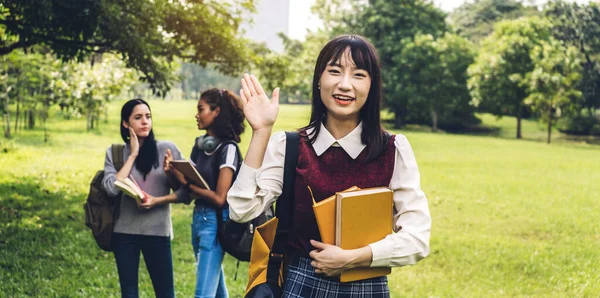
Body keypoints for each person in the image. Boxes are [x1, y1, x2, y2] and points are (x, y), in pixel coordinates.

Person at [227, 34, 431, 297]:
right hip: (300, 285)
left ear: (372, 86)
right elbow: (240, 210)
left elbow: (417, 239)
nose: (345, 85)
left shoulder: (393, 149)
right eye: (334, 71)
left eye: (359, 75)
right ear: (319, 80)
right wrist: (262, 131)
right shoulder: (289, 146)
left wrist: (355, 257)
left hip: (368, 288)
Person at [155, 88, 245, 298]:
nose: (196, 114)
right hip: (199, 220)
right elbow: (185, 194)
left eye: (201, 109)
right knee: (216, 291)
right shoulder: (200, 145)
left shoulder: (228, 149)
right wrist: (171, 173)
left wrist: (186, 183)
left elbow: (219, 198)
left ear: (216, 112)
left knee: (202, 294)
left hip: (215, 223)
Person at [102, 98, 188, 298]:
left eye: (148, 117)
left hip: (158, 233)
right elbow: (111, 189)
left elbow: (188, 193)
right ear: (126, 123)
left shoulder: (167, 149)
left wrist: (159, 197)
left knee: (166, 294)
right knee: (129, 294)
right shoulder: (115, 153)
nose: (145, 122)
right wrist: (132, 155)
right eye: (138, 117)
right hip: (124, 234)